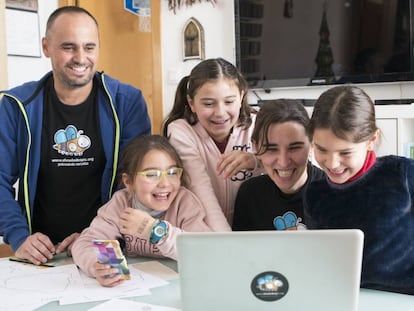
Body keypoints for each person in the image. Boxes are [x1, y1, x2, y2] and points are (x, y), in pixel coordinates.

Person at [0, 6, 151, 265]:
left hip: (107, 242)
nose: (81, 57)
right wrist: (20, 237)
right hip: (40, 252)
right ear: (46, 47)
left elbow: (136, 184)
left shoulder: (127, 101)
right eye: (68, 47)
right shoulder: (16, 106)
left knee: (119, 298)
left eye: (89, 47)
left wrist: (95, 234)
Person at [304, 85, 414, 295]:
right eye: (321, 149)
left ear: (371, 140)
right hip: (350, 296)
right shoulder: (315, 194)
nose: (332, 163)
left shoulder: (402, 173)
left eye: (345, 152)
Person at [72, 135, 211, 287]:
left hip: (180, 285)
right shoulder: (121, 203)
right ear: (128, 182)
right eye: (151, 175)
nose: (165, 184)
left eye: (172, 173)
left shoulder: (185, 202)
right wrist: (99, 265)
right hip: (136, 288)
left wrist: (155, 231)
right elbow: (85, 242)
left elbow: (204, 251)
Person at [162, 58, 262, 230]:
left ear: (242, 96)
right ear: (192, 103)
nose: (220, 113)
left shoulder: (258, 125)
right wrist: (225, 243)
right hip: (205, 231)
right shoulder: (181, 131)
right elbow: (201, 190)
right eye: (208, 104)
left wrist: (256, 161)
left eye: (229, 102)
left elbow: (297, 167)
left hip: (254, 229)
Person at [232, 100, 324, 231]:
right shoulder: (250, 194)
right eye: (271, 149)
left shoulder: (333, 191)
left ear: (311, 145)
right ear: (255, 147)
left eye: (295, 148)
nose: (283, 162)